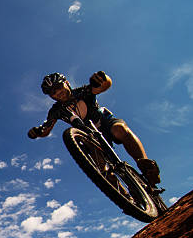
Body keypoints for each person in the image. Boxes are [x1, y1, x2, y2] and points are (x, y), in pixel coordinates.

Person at [28, 71, 161, 185]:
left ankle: (146, 166)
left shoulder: (82, 92)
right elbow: (46, 129)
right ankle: (127, 199)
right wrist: (37, 132)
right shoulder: (55, 110)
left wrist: (102, 79)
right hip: (90, 137)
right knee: (100, 167)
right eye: (52, 92)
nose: (57, 92)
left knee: (119, 129)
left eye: (58, 86)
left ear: (66, 82)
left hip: (104, 122)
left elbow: (103, 86)